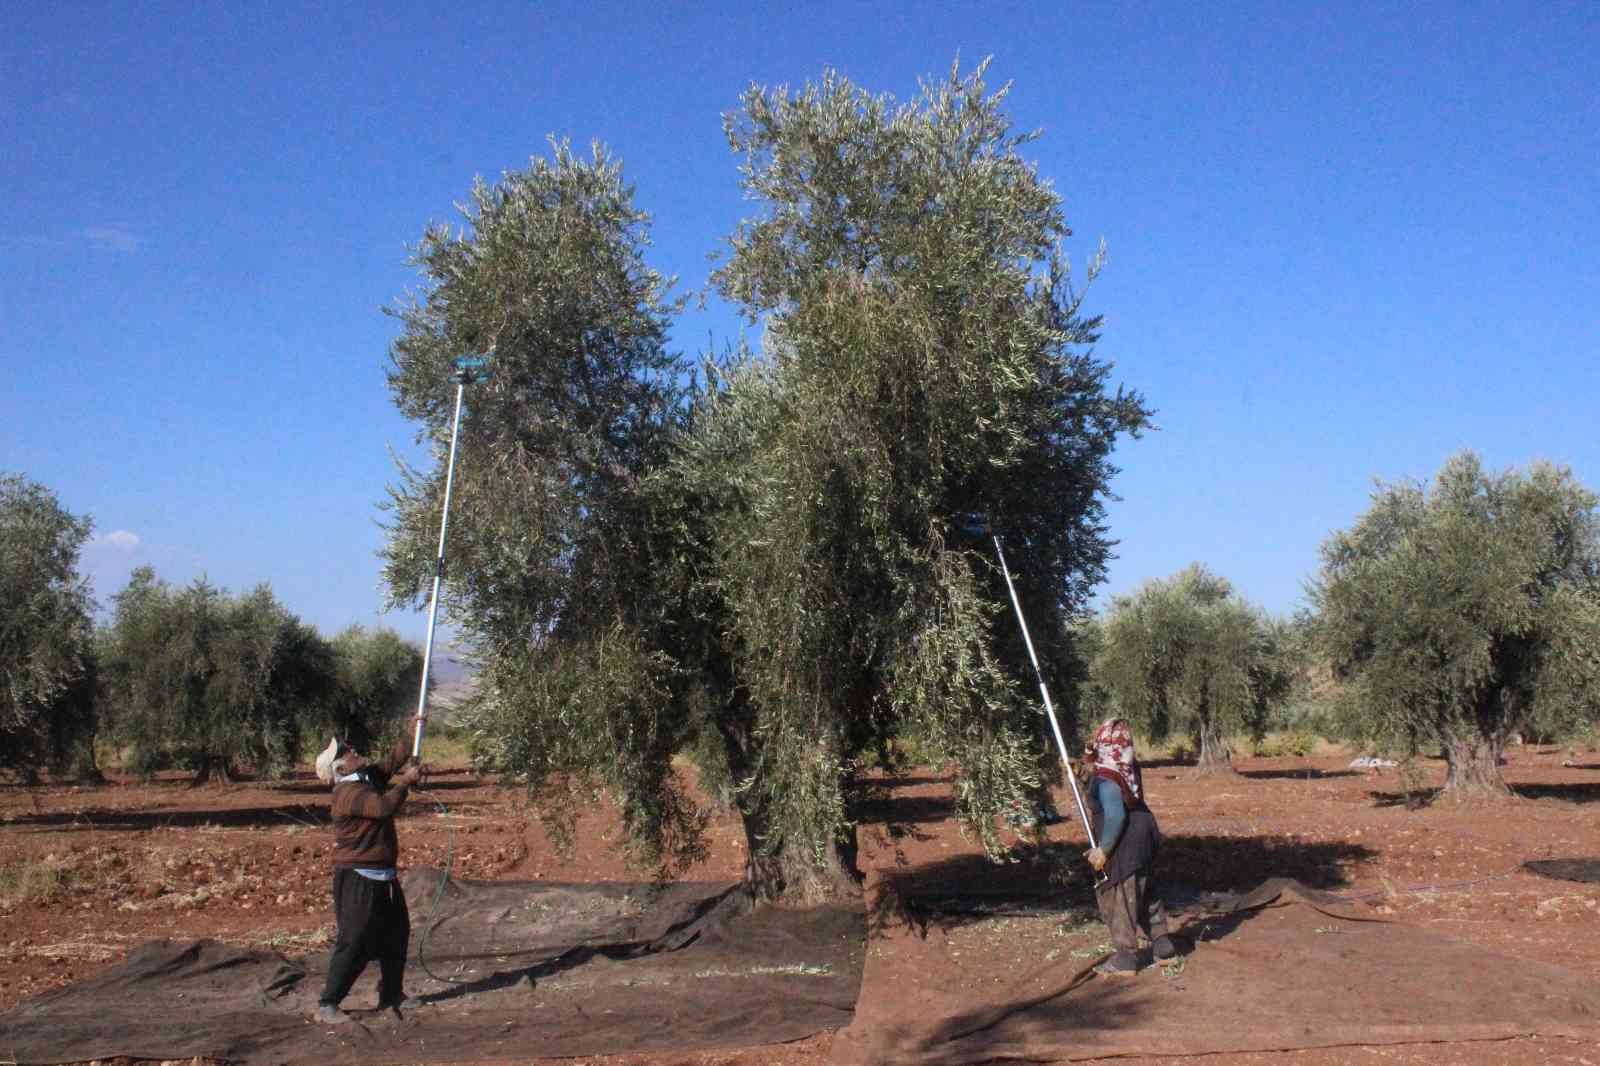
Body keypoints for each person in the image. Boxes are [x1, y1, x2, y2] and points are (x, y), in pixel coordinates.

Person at [313, 726, 423, 1023]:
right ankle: (328, 1002)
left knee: (396, 934)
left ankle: (391, 993)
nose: (352, 750)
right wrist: (404, 784)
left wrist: (412, 729)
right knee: (354, 938)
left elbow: (391, 760)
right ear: (340, 767)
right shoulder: (347, 793)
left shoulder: (366, 778)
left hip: (383, 875)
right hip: (358, 877)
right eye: (346, 752)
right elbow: (383, 806)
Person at [1080, 717, 1176, 975]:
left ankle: (1125, 958)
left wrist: (1104, 850)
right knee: (1145, 890)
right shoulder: (1126, 766)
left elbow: (1115, 815)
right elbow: (1097, 769)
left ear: (1104, 747)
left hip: (1125, 840)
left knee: (1120, 896)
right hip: (1144, 833)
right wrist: (1086, 761)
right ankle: (1163, 945)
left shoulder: (1107, 778)